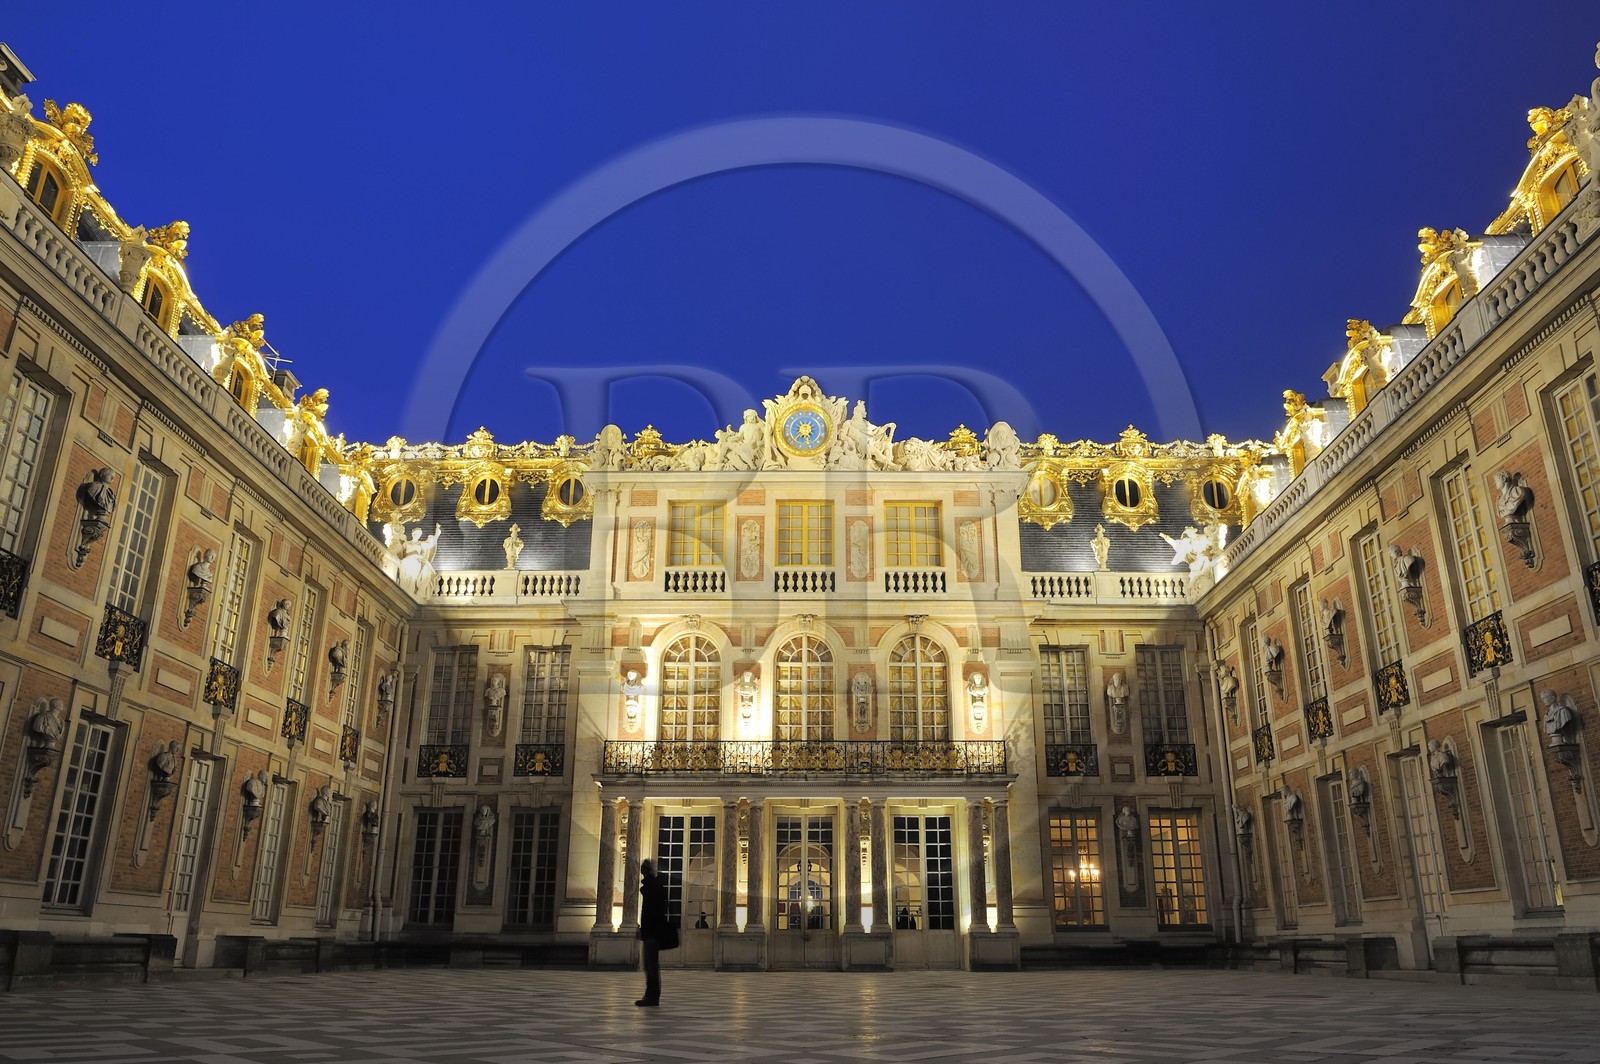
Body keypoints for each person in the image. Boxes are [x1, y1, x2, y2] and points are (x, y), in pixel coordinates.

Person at [637, 858, 669, 1007]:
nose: (641, 871)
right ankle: (651, 995)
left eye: (643, 868)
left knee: (651, 966)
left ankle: (652, 996)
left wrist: (647, 931)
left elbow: (651, 913)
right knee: (650, 965)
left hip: (652, 932)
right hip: (651, 931)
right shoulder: (654, 886)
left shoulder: (651, 887)